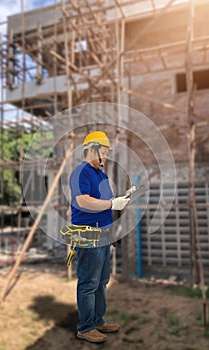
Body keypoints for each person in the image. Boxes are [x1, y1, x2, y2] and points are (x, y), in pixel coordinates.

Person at [69, 130, 130, 343]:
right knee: (89, 282)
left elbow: (105, 204)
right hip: (87, 233)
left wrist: (118, 203)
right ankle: (85, 327)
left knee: (102, 280)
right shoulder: (81, 172)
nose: (105, 157)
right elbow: (84, 201)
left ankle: (97, 320)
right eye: (103, 152)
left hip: (103, 233)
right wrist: (113, 203)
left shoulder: (101, 175)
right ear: (92, 149)